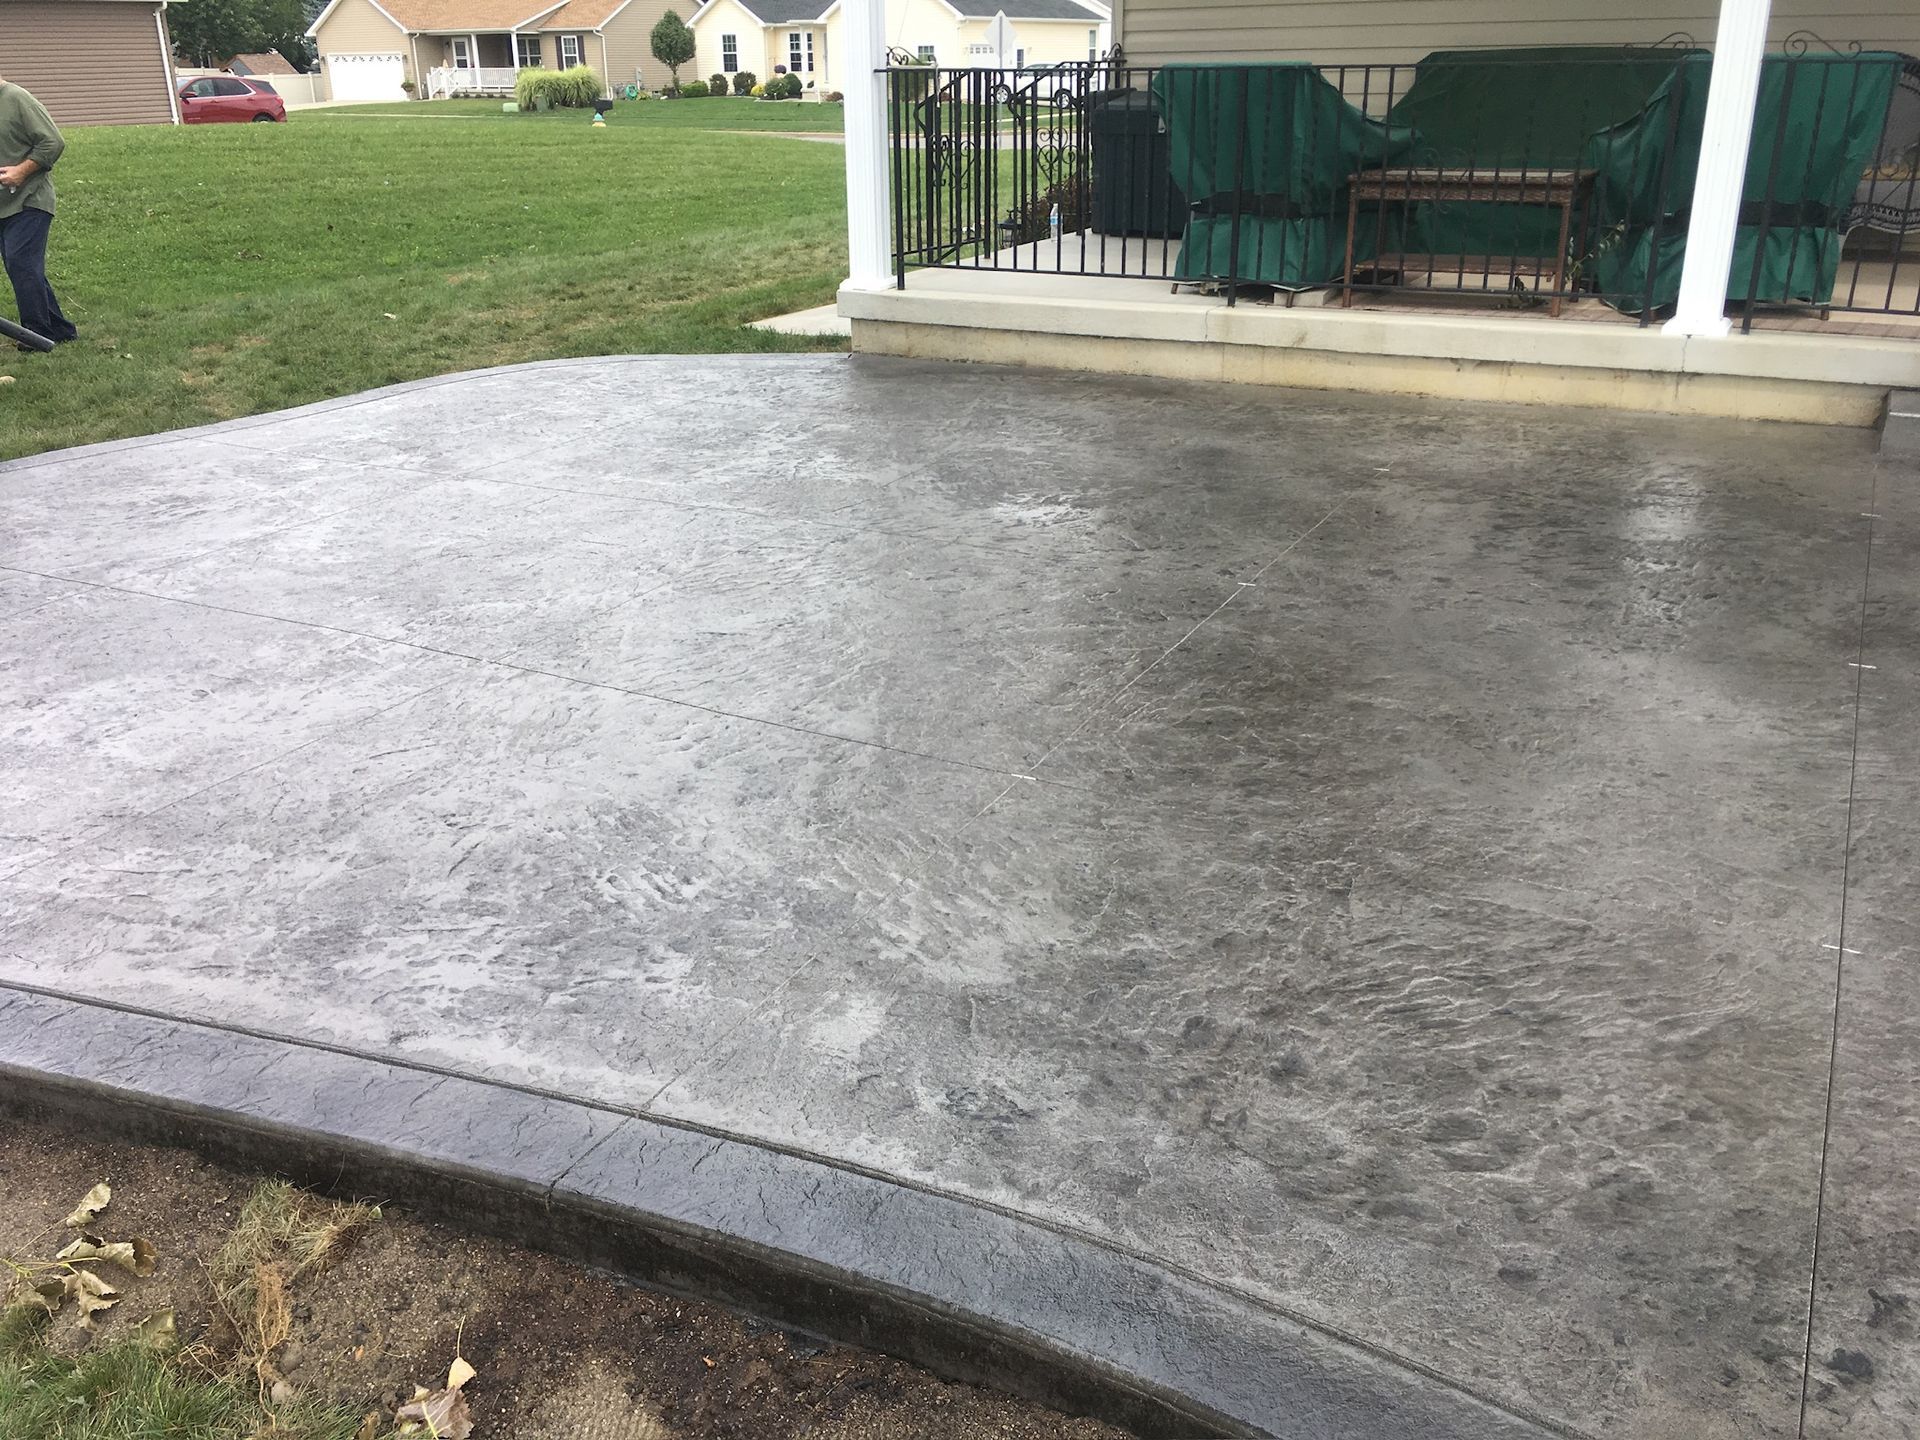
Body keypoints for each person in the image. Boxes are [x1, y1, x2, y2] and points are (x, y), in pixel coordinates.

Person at [0, 73, 76, 347]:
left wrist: (21, 171)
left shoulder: (17, 99)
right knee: (22, 267)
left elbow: (53, 142)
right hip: (2, 206)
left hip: (30, 200)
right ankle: (61, 330)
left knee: (22, 264)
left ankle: (35, 336)